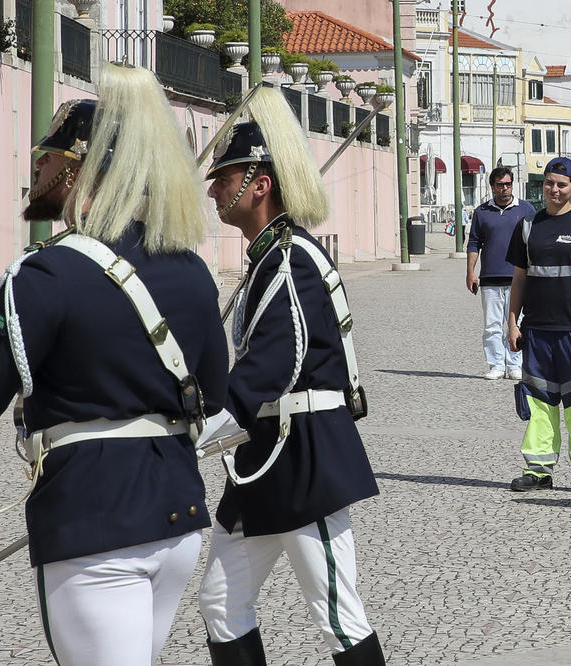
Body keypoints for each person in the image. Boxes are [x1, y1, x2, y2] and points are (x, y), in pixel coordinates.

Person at [0, 63, 228, 664]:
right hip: (177, 513)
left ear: (77, 167)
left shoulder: (45, 272)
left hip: (94, 518)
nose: (36, 173)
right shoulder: (190, 267)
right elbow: (216, 396)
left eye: (46, 160)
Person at [197, 87, 385, 665]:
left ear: (260, 184)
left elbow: (271, 366)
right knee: (222, 603)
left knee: (337, 616)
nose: (213, 189)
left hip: (304, 456)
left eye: (224, 177)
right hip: (265, 458)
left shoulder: (291, 259)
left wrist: (187, 439)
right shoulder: (270, 256)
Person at [506, 156, 571, 494]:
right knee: (538, 402)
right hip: (537, 331)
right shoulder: (527, 226)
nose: (554, 189)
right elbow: (519, 279)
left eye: (562, 184)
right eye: (549, 183)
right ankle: (538, 470)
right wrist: (512, 322)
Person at [466, 167, 536, 381]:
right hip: (490, 279)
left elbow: (535, 242)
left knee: (516, 324)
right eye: (500, 185)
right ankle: (496, 364)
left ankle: (515, 364)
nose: (504, 189)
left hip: (519, 278)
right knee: (492, 325)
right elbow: (474, 243)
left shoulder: (526, 209)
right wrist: (470, 272)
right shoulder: (481, 212)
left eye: (508, 184)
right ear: (492, 187)